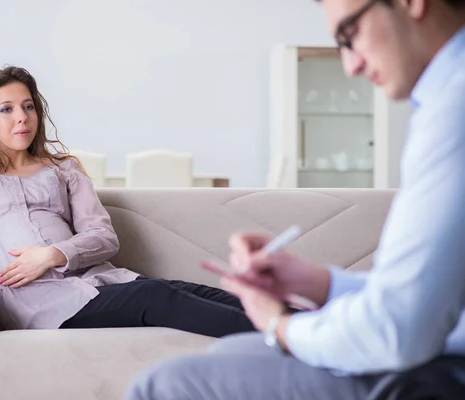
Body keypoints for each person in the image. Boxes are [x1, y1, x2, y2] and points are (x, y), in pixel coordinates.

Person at [127, 0, 465, 399]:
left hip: (439, 372)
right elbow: (426, 296)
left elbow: (396, 329)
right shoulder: (444, 100)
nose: (350, 66)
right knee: (233, 353)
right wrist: (316, 283)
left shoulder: (452, 111)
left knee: (164, 385)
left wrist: (280, 327)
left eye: (349, 34)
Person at [0, 66, 255, 338]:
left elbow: (104, 237)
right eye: (7, 109)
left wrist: (53, 254)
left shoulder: (62, 168)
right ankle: (282, 338)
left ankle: (295, 319)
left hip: (99, 283)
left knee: (187, 289)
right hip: (43, 304)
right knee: (158, 294)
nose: (22, 118)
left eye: (29, 106)